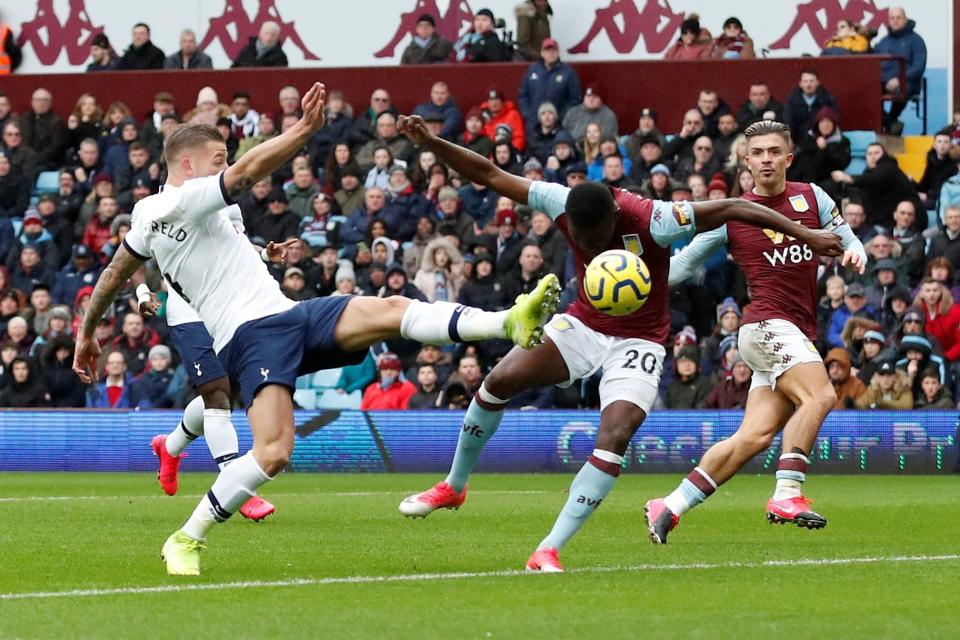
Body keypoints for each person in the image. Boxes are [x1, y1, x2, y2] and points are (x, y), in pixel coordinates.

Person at [73, 84, 562, 577]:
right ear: (186, 166)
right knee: (274, 451)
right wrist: (304, 129)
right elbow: (243, 174)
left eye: (224, 157)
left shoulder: (158, 216)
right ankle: (186, 537)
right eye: (217, 157)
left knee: (389, 308)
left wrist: (87, 332)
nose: (224, 164)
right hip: (250, 336)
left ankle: (508, 321)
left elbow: (118, 270)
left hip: (289, 315)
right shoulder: (175, 203)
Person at [394, 113, 843, 572]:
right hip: (584, 324)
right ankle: (453, 484)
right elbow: (490, 174)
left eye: (597, 237)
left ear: (613, 215)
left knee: (615, 435)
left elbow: (734, 207)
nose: (588, 245)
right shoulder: (560, 201)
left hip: (641, 340)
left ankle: (548, 549)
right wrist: (432, 141)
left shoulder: (657, 218)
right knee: (499, 380)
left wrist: (807, 234)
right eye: (581, 240)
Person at [649, 120, 866, 544]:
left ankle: (669, 505)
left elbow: (847, 239)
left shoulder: (812, 196)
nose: (765, 158)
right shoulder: (730, 214)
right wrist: (637, 280)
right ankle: (787, 492)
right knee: (821, 395)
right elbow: (684, 265)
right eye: (757, 153)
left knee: (754, 437)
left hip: (794, 331)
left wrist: (855, 253)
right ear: (746, 161)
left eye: (773, 151)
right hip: (765, 325)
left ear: (787, 157)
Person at [874, 8, 926, 135]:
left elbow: (919, 66)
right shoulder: (883, 42)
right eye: (892, 18)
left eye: (898, 17)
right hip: (883, 82)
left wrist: (899, 79)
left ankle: (890, 122)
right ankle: (891, 124)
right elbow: (873, 63)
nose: (895, 21)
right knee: (866, 92)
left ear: (905, 19)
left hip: (907, 82)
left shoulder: (916, 40)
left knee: (902, 89)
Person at [517, 38, 581, 130]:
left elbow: (575, 100)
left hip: (559, 125)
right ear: (542, 53)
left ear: (558, 52)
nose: (551, 53)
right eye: (547, 50)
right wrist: (529, 115)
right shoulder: (532, 70)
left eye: (554, 50)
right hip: (534, 125)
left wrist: (560, 117)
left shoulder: (568, 73)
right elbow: (523, 95)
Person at [783, 70, 838, 145]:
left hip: (820, 142)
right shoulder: (791, 101)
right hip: (798, 143)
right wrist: (789, 138)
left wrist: (824, 138)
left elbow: (833, 122)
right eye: (805, 81)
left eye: (811, 81)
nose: (808, 85)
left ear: (818, 82)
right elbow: (788, 121)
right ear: (800, 84)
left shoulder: (827, 99)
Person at [20, 88, 66, 172]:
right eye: (37, 100)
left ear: (50, 103)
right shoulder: (25, 119)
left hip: (49, 162)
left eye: (45, 100)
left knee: (32, 170)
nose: (41, 103)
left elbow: (55, 147)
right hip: (27, 159)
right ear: (32, 102)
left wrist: (36, 159)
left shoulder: (57, 122)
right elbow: (23, 141)